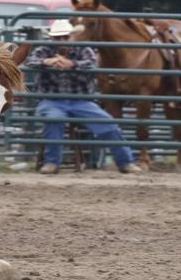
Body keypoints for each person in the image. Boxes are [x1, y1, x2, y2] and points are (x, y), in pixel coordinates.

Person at [24, 20, 144, 175]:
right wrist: (47, 62)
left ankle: (125, 162)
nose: (62, 41)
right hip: (52, 100)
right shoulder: (44, 50)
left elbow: (92, 65)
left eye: (65, 37)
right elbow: (30, 62)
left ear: (72, 36)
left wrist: (72, 64)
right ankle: (51, 162)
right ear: (52, 39)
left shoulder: (84, 49)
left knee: (108, 125)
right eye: (58, 38)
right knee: (54, 119)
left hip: (80, 100)